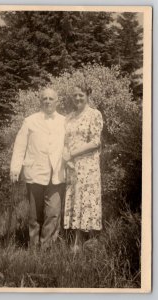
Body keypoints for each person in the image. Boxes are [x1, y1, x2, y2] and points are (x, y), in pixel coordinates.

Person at [10, 88, 65, 249]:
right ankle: (34, 248)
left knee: (53, 212)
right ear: (40, 101)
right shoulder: (30, 121)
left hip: (56, 173)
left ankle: (46, 248)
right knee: (35, 215)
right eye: (44, 98)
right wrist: (15, 168)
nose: (47, 101)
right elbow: (20, 145)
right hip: (35, 172)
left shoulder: (64, 121)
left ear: (57, 101)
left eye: (51, 98)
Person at [62, 84, 103, 253]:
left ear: (87, 95)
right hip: (72, 166)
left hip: (88, 165)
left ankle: (83, 243)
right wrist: (66, 155)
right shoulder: (69, 117)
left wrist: (72, 153)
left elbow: (95, 142)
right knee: (76, 200)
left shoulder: (94, 114)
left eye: (81, 95)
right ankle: (79, 241)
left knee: (86, 200)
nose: (77, 98)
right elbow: (65, 141)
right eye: (75, 95)